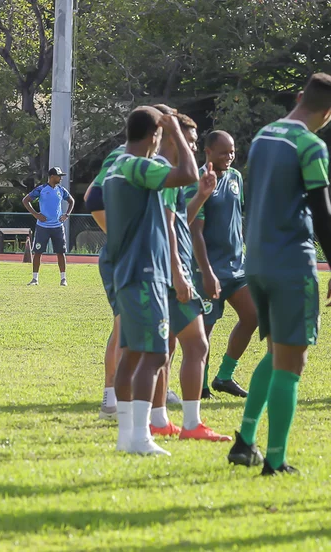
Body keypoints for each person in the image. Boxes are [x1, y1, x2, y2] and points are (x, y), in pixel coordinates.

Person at [226, 73, 331, 475]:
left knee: (276, 353)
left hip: (255, 261)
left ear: (298, 97)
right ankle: (274, 461)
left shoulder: (262, 137)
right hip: (291, 261)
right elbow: (323, 210)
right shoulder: (310, 145)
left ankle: (244, 441)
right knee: (291, 363)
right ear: (329, 112)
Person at [105, 105, 198, 456]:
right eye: (161, 135)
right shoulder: (136, 165)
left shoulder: (117, 167)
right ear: (153, 135)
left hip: (130, 272)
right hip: (144, 272)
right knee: (156, 354)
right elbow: (187, 173)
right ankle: (142, 437)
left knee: (131, 356)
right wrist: (175, 128)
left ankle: (127, 437)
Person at [156, 113, 230, 442]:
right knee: (192, 345)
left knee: (161, 349)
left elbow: (178, 222)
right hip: (170, 273)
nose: (194, 145)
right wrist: (177, 272)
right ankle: (188, 424)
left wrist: (200, 196)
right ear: (171, 137)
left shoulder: (174, 178)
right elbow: (167, 229)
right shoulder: (163, 173)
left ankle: (158, 419)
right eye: (190, 138)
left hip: (170, 270)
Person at [188, 131, 259, 400]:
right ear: (207, 151)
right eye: (223, 152)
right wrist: (206, 272)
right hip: (208, 269)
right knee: (204, 330)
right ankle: (202, 387)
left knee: (253, 316)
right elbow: (196, 231)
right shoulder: (199, 179)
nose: (229, 157)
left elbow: (235, 219)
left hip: (236, 268)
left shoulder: (236, 177)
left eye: (232, 152)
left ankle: (224, 376)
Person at [85, 144, 126, 420]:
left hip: (143, 254)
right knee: (125, 325)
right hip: (127, 255)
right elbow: (92, 197)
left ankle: (115, 399)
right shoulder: (129, 155)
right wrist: (117, 234)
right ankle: (113, 398)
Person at [23, 167, 74, 286]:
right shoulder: (41, 189)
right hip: (43, 227)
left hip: (57, 227)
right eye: (58, 176)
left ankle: (63, 279)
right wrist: (36, 214)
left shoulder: (61, 190)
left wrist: (66, 215)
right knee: (38, 252)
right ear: (52, 176)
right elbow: (26, 200)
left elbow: (71, 201)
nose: (60, 178)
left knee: (60, 252)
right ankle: (35, 279)